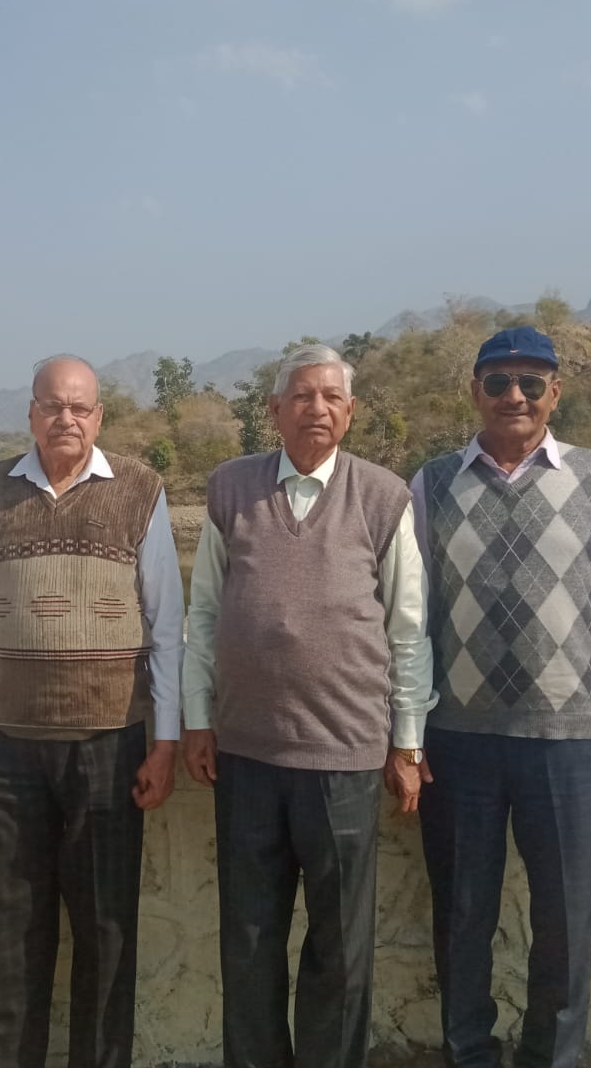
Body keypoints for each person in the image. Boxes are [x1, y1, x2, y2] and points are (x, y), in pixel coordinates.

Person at [410, 326, 591, 1068]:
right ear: (476, 392)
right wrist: (407, 729)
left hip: (569, 739)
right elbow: (410, 613)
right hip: (458, 737)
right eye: (499, 382)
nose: (515, 396)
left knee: (563, 915)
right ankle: (468, 1052)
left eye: (531, 383)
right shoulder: (432, 483)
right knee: (462, 911)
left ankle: (552, 1056)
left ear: (555, 393)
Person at [182, 342, 435, 1068]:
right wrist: (197, 718)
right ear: (274, 410)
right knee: (249, 938)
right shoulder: (232, 488)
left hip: (345, 758)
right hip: (246, 753)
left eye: (330, 397)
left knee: (341, 946)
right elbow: (205, 613)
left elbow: (407, 629)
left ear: (351, 412)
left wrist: (407, 743)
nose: (315, 409)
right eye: (301, 396)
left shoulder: (383, 496)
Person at [0, 354, 184, 1068]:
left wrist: (165, 741)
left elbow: (167, 625)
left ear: (99, 416)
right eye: (52, 406)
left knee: (106, 929)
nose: (65, 419)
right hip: (2, 747)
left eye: (79, 407)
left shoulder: (139, 488)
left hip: (109, 744)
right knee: (9, 930)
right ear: (31, 415)